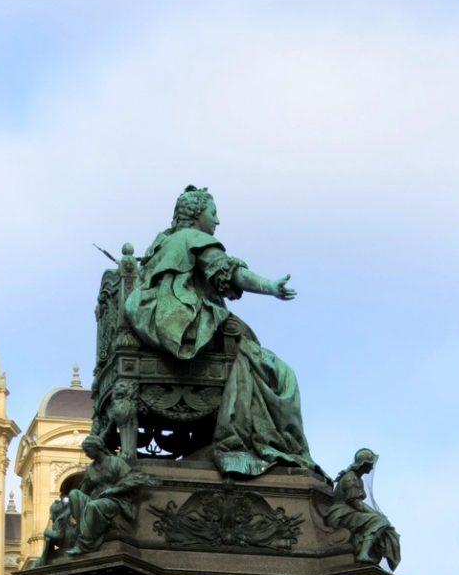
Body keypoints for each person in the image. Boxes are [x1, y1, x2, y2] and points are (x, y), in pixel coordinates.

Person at [125, 186, 317, 478]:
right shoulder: (193, 239)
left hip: (158, 331)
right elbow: (227, 272)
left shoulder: (161, 245)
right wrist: (269, 286)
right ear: (196, 215)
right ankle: (271, 444)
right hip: (188, 335)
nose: (217, 221)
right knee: (281, 374)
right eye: (213, 213)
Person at [324, 448, 401, 570]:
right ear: (364, 464)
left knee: (380, 521)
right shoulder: (351, 478)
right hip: (340, 514)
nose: (372, 467)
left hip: (348, 512)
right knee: (379, 521)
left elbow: (358, 504)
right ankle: (363, 553)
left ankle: (366, 550)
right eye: (370, 464)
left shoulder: (357, 478)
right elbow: (357, 504)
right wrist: (378, 515)